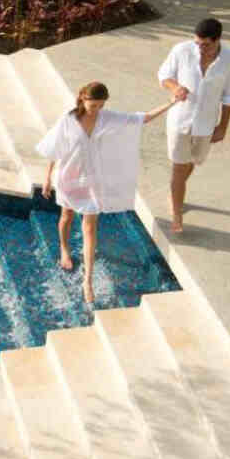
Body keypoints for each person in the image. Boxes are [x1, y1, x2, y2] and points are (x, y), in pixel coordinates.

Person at [37, 82, 174, 305]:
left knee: (90, 228)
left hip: (92, 180)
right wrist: (47, 178)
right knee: (66, 217)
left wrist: (171, 103)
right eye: (93, 105)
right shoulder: (68, 120)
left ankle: (87, 281)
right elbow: (54, 150)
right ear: (82, 98)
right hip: (68, 179)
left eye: (101, 105)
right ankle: (64, 248)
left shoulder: (106, 117)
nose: (97, 110)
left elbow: (142, 118)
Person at [157, 17, 230, 233]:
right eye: (198, 43)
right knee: (179, 166)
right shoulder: (182, 50)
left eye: (206, 44)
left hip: (205, 124)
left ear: (217, 40)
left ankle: (175, 192)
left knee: (193, 161)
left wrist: (223, 127)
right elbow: (164, 75)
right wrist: (175, 87)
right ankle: (176, 212)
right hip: (179, 121)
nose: (201, 49)